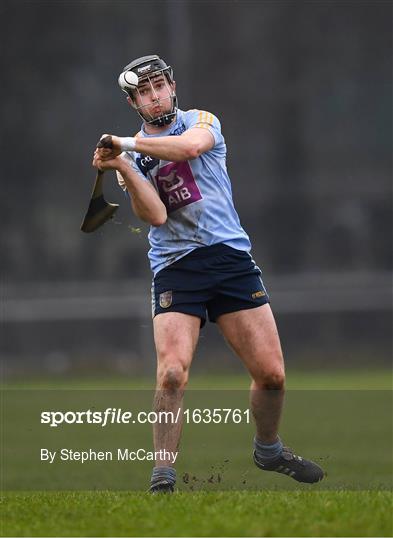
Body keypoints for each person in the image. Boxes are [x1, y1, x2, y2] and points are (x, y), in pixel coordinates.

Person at [92, 54, 324, 493]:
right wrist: (122, 165)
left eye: (159, 86)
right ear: (133, 102)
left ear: (172, 87)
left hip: (230, 258)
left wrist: (125, 145)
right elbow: (156, 215)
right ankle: (163, 476)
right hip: (176, 267)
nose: (154, 96)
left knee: (272, 375)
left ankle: (269, 449)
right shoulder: (135, 156)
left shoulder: (201, 120)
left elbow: (190, 149)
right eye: (144, 92)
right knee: (172, 373)